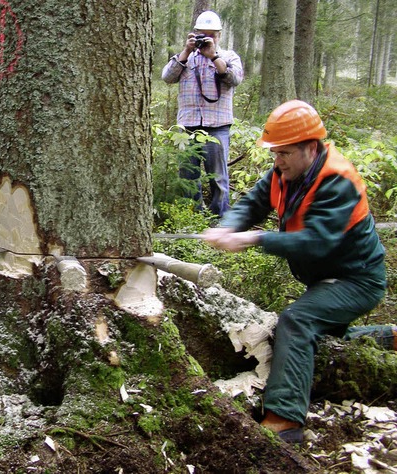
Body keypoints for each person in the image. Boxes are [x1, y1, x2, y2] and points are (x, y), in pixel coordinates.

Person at [203, 100, 387, 443]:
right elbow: (253, 203)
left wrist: (255, 238)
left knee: (297, 321)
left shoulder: (338, 181)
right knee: (325, 337)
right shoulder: (284, 174)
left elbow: (317, 242)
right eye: (275, 153)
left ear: (310, 148)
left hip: (357, 280)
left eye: (284, 153)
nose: (277, 161)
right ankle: (389, 338)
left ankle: (285, 420)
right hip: (325, 278)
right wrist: (227, 226)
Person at [161, 10, 244, 217]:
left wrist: (214, 56)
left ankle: (221, 219)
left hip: (218, 126)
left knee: (218, 177)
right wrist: (186, 51)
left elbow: (234, 79)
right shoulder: (186, 58)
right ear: (195, 33)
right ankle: (192, 218)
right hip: (188, 125)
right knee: (188, 175)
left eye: (212, 35)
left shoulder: (228, 57)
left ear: (219, 35)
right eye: (202, 34)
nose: (207, 39)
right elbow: (167, 77)